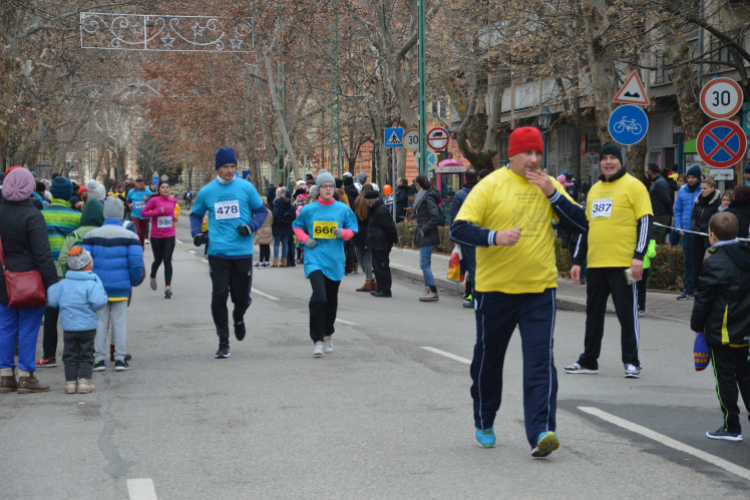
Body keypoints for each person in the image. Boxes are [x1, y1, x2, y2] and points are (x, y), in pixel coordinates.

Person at [450, 126, 586, 456]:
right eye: (528, 153)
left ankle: (541, 432)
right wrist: (494, 237)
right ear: (511, 155)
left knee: (540, 362)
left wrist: (553, 195)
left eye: (539, 153)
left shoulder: (548, 185)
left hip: (539, 290)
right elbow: (459, 227)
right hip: (495, 291)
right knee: (489, 360)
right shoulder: (490, 186)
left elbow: (582, 224)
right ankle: (484, 418)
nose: (534, 159)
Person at [566, 142, 653, 378]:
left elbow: (645, 222)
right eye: (604, 158)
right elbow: (586, 228)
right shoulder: (594, 190)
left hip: (624, 264)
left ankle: (632, 362)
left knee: (627, 315)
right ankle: (588, 361)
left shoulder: (635, 187)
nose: (608, 162)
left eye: (612, 158)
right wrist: (577, 261)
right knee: (593, 316)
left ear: (620, 160)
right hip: (595, 265)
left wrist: (638, 256)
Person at [189, 147, 268, 359]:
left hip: (242, 252)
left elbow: (261, 211)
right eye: (226, 166)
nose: (230, 170)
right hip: (218, 252)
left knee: (241, 299)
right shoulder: (207, 191)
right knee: (219, 295)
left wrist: (251, 227)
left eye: (233, 166)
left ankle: (239, 317)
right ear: (218, 168)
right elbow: (195, 215)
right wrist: (197, 233)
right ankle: (223, 341)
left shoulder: (246, 187)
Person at [690, 212, 750, 441]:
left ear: (712, 235)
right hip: (746, 331)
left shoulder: (714, 261)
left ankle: (731, 426)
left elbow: (703, 299)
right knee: (746, 376)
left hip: (722, 331)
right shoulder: (747, 255)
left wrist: (698, 327)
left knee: (725, 379)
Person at [0, 168, 59, 394]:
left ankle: (5, 376)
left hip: (2, 280)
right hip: (29, 282)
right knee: (28, 328)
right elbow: (43, 255)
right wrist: (53, 283)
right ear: (30, 188)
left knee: (5, 327)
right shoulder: (33, 215)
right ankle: (26, 376)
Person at [292, 170, 358, 357]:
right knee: (319, 298)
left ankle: (328, 333)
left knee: (330, 299)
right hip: (314, 258)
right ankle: (317, 339)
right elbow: (297, 226)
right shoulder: (309, 209)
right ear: (318, 190)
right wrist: (305, 239)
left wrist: (343, 234)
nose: (328, 189)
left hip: (335, 259)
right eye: (324, 186)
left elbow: (353, 228)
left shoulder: (343, 209)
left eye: (330, 186)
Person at [83, 198, 144, 371]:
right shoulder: (131, 236)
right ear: (122, 213)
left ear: (104, 214)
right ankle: (119, 359)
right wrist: (131, 282)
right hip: (121, 287)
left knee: (100, 322)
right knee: (119, 322)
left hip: (98, 288)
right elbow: (136, 264)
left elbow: (84, 263)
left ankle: (98, 360)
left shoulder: (91, 235)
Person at [46, 247, 108, 394]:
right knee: (86, 354)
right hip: (88, 327)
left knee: (70, 355)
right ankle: (85, 382)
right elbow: (100, 302)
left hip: (69, 327)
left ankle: (70, 383)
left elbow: (52, 300)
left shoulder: (63, 284)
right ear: (88, 265)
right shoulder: (91, 284)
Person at [37, 175, 82, 368]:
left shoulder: (42, 215)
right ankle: (76, 355)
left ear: (53, 193)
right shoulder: (76, 217)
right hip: (70, 270)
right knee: (72, 313)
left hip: (47, 271)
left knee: (50, 314)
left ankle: (49, 356)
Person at [140, 181, 179, 299]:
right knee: (158, 260)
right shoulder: (154, 200)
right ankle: (152, 276)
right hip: (156, 235)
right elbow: (143, 213)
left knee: (167, 259)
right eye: (163, 187)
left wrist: (174, 217)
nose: (166, 189)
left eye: (167, 187)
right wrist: (156, 212)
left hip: (170, 234)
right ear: (159, 189)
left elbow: (170, 212)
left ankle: (168, 286)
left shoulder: (173, 200)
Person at [451, 168, 479, 308]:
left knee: (471, 268)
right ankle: (472, 296)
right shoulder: (483, 193)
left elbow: (455, 217)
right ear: (477, 178)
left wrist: (455, 236)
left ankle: (474, 297)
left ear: (465, 178)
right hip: (483, 235)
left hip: (466, 236)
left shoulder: (460, 195)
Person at [674, 166, 702, 300]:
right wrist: (678, 227)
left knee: (700, 262)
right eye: (689, 177)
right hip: (685, 231)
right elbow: (678, 210)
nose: (690, 180)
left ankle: (699, 289)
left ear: (698, 178)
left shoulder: (702, 190)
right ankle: (689, 289)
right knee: (688, 262)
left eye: (693, 178)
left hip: (699, 233)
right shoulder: (682, 191)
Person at [413, 175, 442, 302]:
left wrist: (424, 229)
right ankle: (429, 289)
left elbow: (434, 216)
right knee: (426, 263)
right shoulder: (424, 196)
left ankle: (432, 290)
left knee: (424, 263)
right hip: (426, 232)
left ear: (418, 185)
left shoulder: (427, 197)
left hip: (427, 233)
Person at [58, 197, 104, 276]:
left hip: (76, 281)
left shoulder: (73, 235)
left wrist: (68, 274)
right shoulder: (105, 234)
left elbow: (62, 258)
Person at [365, 189, 398, 297]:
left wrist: (394, 239)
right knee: (377, 267)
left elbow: (389, 226)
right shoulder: (375, 209)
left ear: (370, 201)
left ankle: (385, 289)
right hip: (376, 243)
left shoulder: (380, 210)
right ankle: (380, 287)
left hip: (382, 244)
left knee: (382, 267)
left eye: (366, 201)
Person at [691, 178, 721, 289]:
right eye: (701, 188)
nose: (702, 191)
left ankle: (708, 289)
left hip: (710, 238)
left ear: (712, 189)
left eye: (705, 188)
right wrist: (694, 228)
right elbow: (693, 217)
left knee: (709, 265)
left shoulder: (717, 201)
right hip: (697, 237)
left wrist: (704, 230)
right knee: (697, 265)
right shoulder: (698, 200)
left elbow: (715, 218)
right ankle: (696, 289)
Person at [353, 184, 376, 292]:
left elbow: (352, 215)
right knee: (368, 258)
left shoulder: (358, 200)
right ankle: (370, 280)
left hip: (358, 231)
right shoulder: (372, 202)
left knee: (360, 257)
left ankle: (369, 280)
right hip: (369, 231)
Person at [646, 163, 673, 244]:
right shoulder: (659, 182)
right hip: (659, 215)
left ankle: (657, 256)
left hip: (660, 216)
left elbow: (666, 200)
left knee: (656, 240)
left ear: (650, 171)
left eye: (647, 172)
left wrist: (671, 212)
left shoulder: (659, 183)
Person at [125, 177, 153, 248]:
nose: (140, 183)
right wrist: (129, 205)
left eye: (141, 182)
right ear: (135, 183)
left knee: (143, 233)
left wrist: (147, 200)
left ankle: (141, 248)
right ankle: (136, 246)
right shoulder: (131, 191)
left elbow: (153, 200)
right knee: (137, 231)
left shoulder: (147, 191)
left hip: (144, 214)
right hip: (134, 214)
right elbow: (127, 200)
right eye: (138, 182)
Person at [271, 188, 295, 267]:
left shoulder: (277, 202)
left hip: (278, 225)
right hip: (287, 225)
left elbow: (275, 214)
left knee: (277, 243)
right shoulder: (290, 204)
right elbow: (293, 216)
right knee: (285, 243)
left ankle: (275, 261)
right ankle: (284, 261)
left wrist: (274, 224)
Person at [636, 238, 657, 316]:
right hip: (644, 266)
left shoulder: (633, 237)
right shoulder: (650, 239)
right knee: (642, 288)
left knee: (632, 288)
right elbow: (652, 254)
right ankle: (641, 309)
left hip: (632, 265)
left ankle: (632, 307)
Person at [254, 200, 274, 268]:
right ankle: (267, 262)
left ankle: (260, 262)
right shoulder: (269, 211)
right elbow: (272, 220)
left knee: (261, 246)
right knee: (267, 246)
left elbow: (255, 220)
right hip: (268, 229)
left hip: (261, 229)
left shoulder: (258, 212)